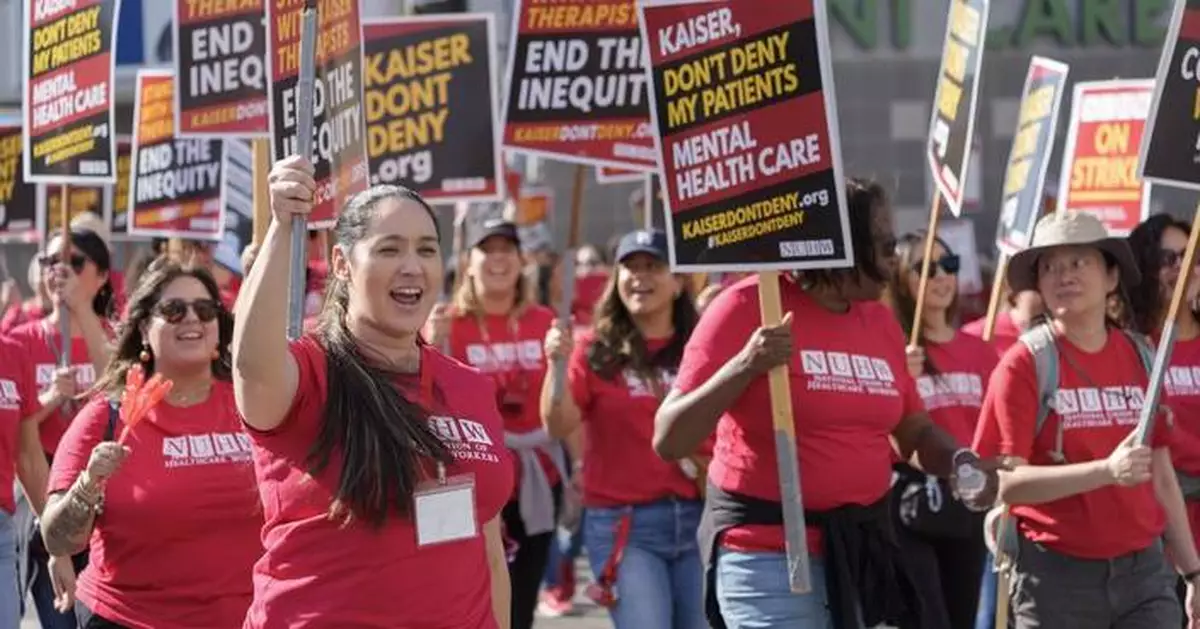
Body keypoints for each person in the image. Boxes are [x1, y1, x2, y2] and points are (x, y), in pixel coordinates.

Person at [653, 179, 993, 629]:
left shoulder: (880, 323)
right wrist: (745, 365)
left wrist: (959, 461)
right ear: (843, 244)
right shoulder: (747, 304)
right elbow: (669, 438)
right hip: (770, 558)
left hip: (863, 558)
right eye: (885, 243)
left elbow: (912, 431)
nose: (895, 257)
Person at [233, 157, 513, 628]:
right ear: (342, 264)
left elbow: (488, 551)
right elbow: (251, 364)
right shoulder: (311, 373)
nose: (412, 267)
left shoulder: (469, 385)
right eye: (389, 250)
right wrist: (282, 227)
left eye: (426, 250)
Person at [973, 211, 1200, 628]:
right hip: (1055, 581)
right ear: (1038, 284)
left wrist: (1193, 574)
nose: (1065, 275)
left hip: (1145, 577)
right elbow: (1005, 484)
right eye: (1051, 266)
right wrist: (1106, 471)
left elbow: (1163, 477)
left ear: (1112, 277)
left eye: (1079, 262)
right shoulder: (1023, 364)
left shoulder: (1141, 356)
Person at [39, 261, 262, 628]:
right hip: (130, 619)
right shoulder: (105, 417)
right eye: (174, 311)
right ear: (144, 328)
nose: (192, 319)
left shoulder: (254, 405)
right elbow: (57, 539)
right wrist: (89, 483)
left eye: (205, 310)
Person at [541, 229, 706, 629]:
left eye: (653, 266)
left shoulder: (701, 345)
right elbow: (557, 423)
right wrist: (555, 366)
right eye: (629, 267)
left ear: (679, 280)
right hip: (625, 526)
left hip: (700, 518)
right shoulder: (594, 349)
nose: (639, 276)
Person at [427, 219, 563, 629]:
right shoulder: (446, 322)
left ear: (523, 261)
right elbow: (424, 404)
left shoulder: (545, 321)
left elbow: (561, 411)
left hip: (537, 481)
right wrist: (432, 345)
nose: (499, 258)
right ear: (468, 262)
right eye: (488, 249)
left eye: (508, 248)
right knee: (465, 597)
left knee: (520, 604)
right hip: (471, 483)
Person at [887, 232, 997, 629]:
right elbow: (881, 434)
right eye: (925, 268)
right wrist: (897, 377)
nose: (941, 277)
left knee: (962, 616)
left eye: (948, 265)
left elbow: (995, 429)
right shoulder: (891, 351)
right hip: (910, 503)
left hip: (967, 501)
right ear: (899, 279)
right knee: (926, 618)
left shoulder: (981, 351)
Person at [11, 228, 115, 629]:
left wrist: (82, 310)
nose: (60, 271)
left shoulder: (113, 339)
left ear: (102, 275)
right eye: (52, 261)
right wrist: (48, 401)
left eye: (74, 262)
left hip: (104, 503)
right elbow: (17, 433)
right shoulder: (21, 341)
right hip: (44, 498)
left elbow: (118, 396)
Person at [1126, 213, 1200, 622]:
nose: (1182, 268)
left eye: (1191, 256)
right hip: (1159, 533)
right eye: (1168, 258)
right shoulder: (1131, 348)